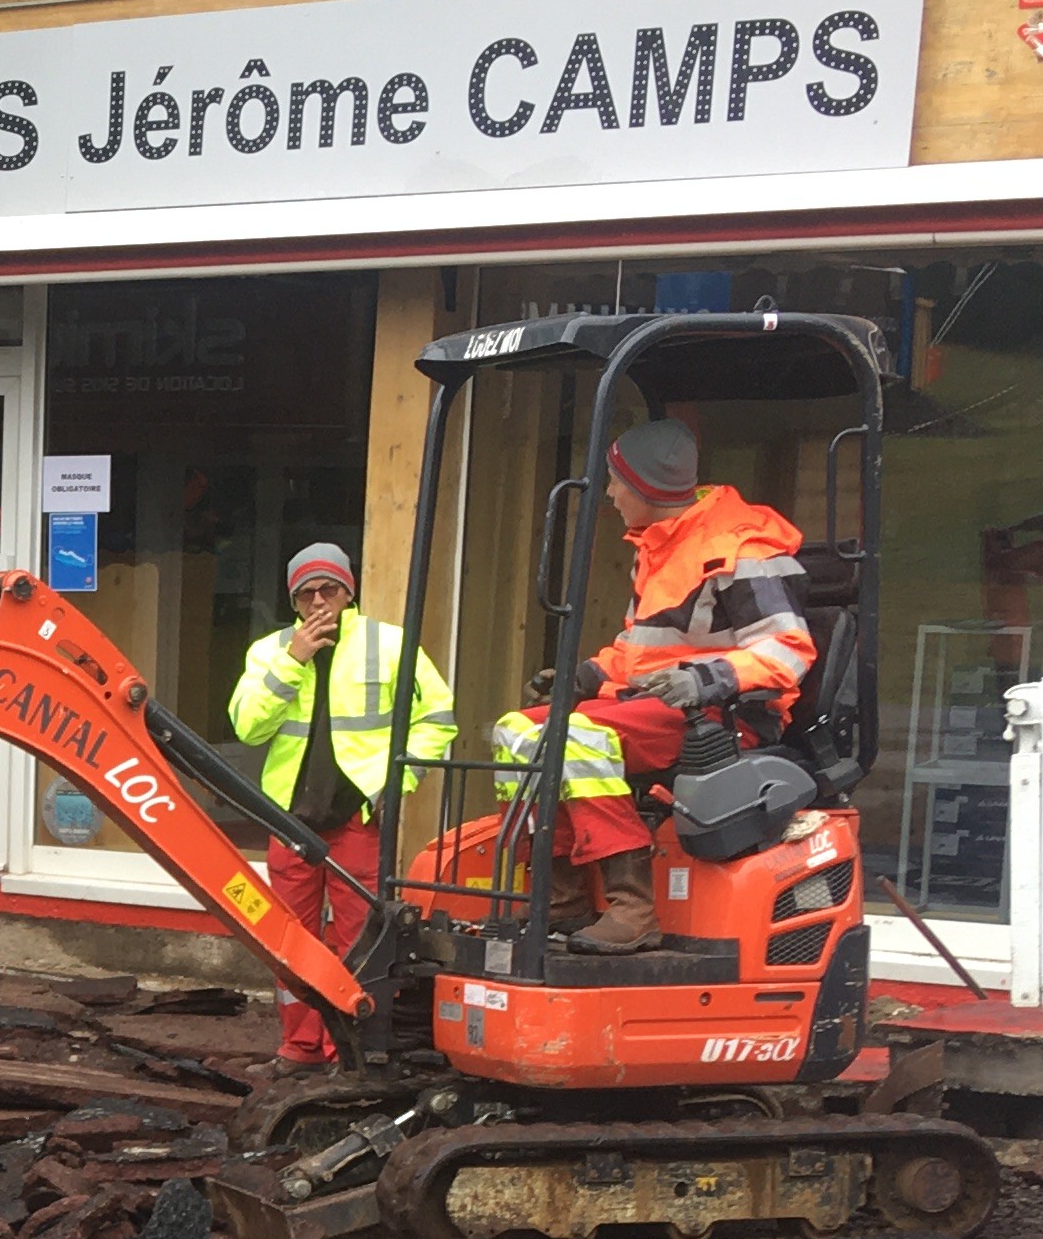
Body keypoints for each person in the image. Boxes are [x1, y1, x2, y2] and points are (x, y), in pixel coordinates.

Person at [493, 417, 818, 952]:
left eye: (617, 481)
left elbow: (788, 650)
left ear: (646, 485)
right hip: (662, 707)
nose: (612, 493)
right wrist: (587, 677)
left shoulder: (742, 549)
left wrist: (706, 680)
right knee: (516, 732)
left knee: (574, 738)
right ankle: (563, 899)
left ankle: (632, 907)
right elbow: (642, 653)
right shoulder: (661, 546)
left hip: (724, 718)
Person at [226, 538, 455, 1066]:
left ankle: (347, 1050)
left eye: (328, 589)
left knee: (359, 940)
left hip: (359, 815)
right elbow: (247, 726)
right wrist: (292, 662)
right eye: (306, 594)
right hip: (290, 817)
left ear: (348, 591)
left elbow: (437, 719)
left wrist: (395, 787)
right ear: (294, 601)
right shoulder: (271, 651)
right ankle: (301, 1046)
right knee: (289, 939)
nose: (318, 602)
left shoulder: (390, 644)